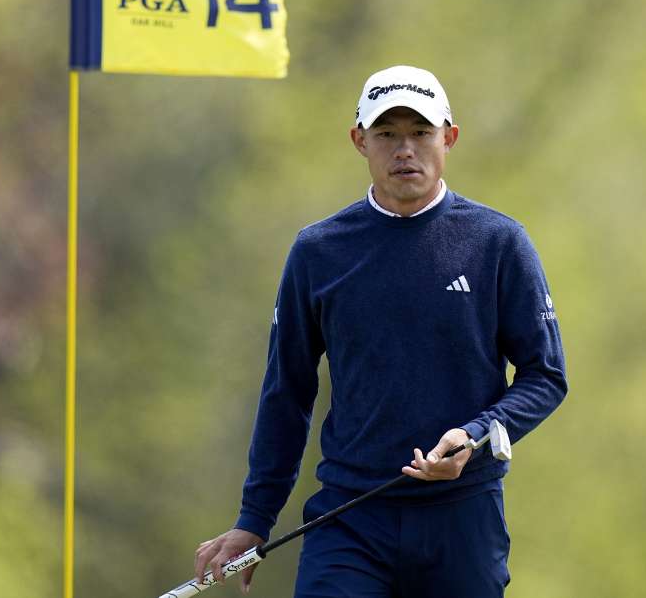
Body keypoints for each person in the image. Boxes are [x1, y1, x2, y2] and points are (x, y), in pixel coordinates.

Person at [193, 65, 568, 597]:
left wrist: (478, 435)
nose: (404, 150)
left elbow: (545, 376)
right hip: (350, 518)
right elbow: (287, 393)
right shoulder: (318, 252)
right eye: (387, 134)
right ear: (359, 141)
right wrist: (255, 518)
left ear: (449, 138)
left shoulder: (498, 243)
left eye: (420, 133)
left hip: (462, 520)